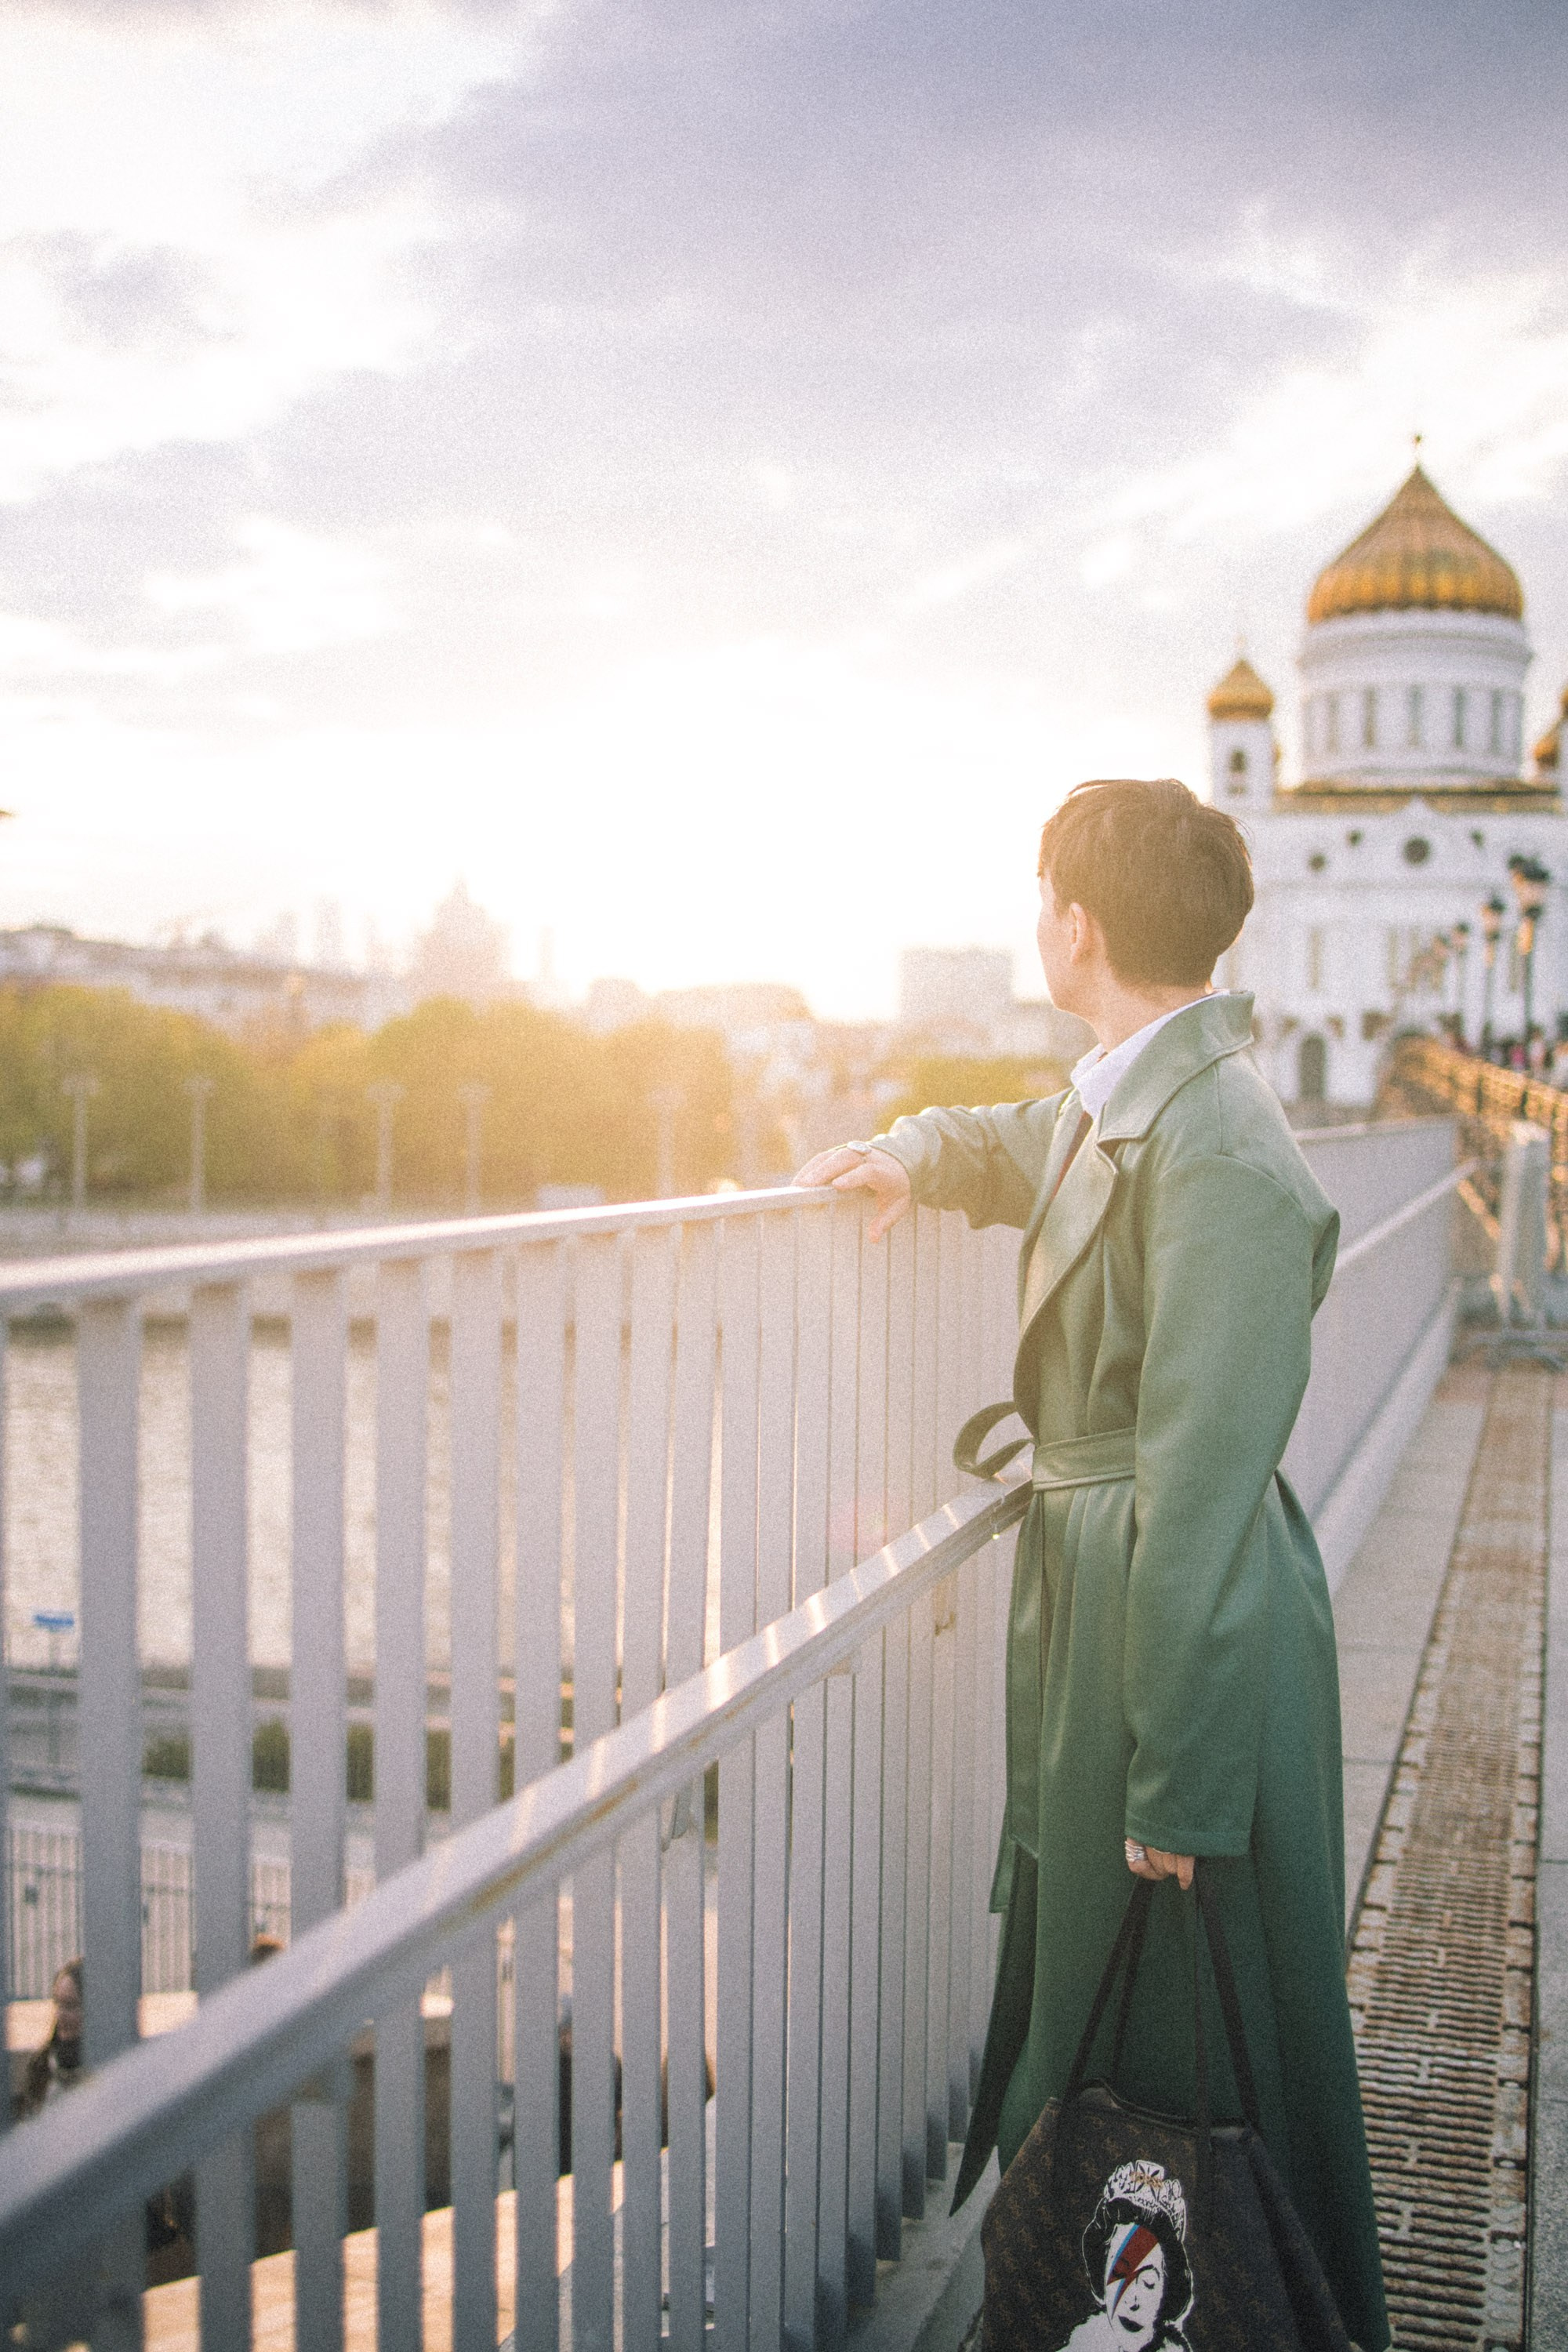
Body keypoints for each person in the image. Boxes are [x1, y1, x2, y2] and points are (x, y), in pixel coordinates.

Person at [795, 777, 1388, 2350]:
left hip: (1174, 1636)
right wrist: (912, 1152)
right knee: (1121, 2005)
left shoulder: (1224, 1155)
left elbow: (1200, 1481)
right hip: (1124, 1610)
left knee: (1195, 2029)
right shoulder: (1145, 1094)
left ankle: (1229, 2312)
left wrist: (1180, 1786)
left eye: (1037, 898)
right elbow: (1032, 1143)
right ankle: (1102, 2296)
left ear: (1074, 924)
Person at [19, 1958, 83, 2117]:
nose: (60, 2015)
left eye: (70, 2005)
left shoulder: (112, 2064)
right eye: (58, 2004)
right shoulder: (42, 2064)